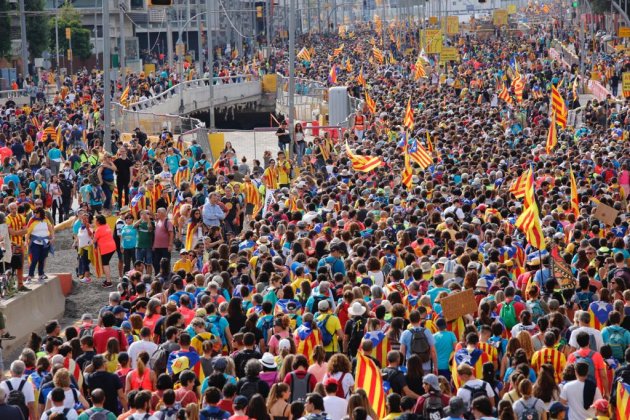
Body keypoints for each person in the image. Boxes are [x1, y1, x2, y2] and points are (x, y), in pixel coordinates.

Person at [24, 207, 54, 283]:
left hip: (45, 242)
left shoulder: (46, 219)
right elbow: (28, 232)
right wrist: (26, 241)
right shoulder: (32, 220)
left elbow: (50, 229)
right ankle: (30, 276)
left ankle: (41, 274)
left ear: (41, 213)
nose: (35, 214)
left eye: (36, 213)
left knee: (42, 259)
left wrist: (52, 238)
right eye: (34, 212)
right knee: (34, 259)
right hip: (35, 242)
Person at [93, 214, 117, 287]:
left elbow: (94, 240)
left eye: (95, 220)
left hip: (106, 249)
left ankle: (109, 281)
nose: (94, 221)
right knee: (106, 263)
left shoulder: (99, 229)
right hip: (112, 247)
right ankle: (108, 279)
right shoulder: (106, 225)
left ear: (98, 221)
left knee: (105, 264)